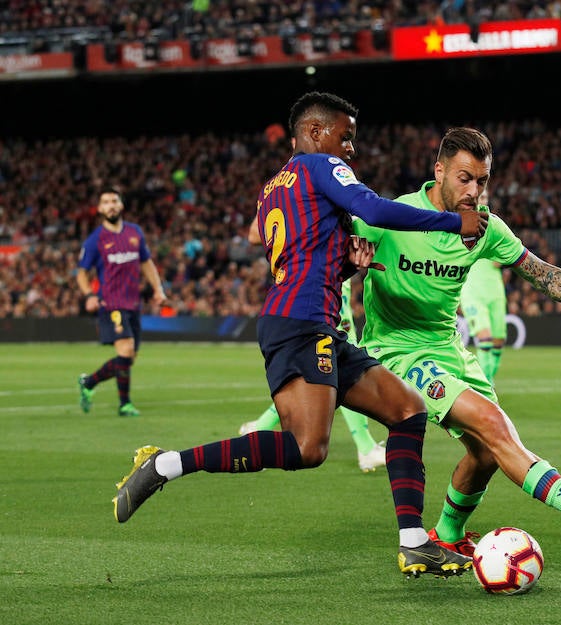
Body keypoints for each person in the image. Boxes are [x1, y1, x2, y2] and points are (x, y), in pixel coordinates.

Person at [112, 92, 488, 578]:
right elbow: (371, 209)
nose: (351, 149)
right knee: (307, 448)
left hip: (309, 320)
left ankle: (415, 543)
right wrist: (452, 221)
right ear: (314, 133)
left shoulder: (273, 188)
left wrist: (351, 269)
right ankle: (164, 465)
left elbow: (307, 260)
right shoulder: (318, 168)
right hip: (301, 323)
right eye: (345, 137)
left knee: (408, 409)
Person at [354, 127, 561, 556]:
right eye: (464, 178)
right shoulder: (392, 215)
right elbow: (338, 250)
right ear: (439, 171)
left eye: (482, 181)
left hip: (448, 348)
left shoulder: (485, 228)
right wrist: (350, 260)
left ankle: (448, 534)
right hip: (397, 350)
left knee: (485, 453)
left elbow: (544, 273)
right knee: (494, 425)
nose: (474, 191)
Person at [239, 280, 387, 473]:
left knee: (329, 380)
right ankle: (366, 448)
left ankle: (259, 428)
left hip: (327, 298)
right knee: (344, 375)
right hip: (319, 304)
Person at [75, 187, 167, 417]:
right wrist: (89, 295)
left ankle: (89, 382)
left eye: (114, 200)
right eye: (106, 202)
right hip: (110, 302)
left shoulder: (135, 232)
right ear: (99, 209)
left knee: (128, 358)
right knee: (125, 351)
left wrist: (158, 288)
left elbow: (146, 263)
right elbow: (81, 273)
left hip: (133, 303)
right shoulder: (95, 239)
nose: (111, 205)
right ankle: (124, 404)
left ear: (121, 205)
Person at [459, 258, 507, 383]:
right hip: (472, 292)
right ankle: (486, 383)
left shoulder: (495, 239)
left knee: (498, 341)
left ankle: (488, 378)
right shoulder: (461, 239)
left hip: (495, 291)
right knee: (485, 338)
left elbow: (501, 261)